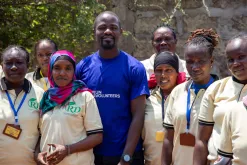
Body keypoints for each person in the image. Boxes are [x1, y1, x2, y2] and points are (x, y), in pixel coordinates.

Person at [76, 11, 150, 165]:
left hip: (125, 154)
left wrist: (126, 157)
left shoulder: (134, 68)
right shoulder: (82, 67)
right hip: (90, 154)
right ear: (94, 32)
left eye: (113, 27)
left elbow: (138, 114)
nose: (108, 31)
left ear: (120, 32)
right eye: (102, 27)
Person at [162, 29, 219, 165]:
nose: (195, 67)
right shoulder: (177, 92)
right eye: (190, 62)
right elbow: (168, 139)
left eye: (201, 61)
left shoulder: (221, 93)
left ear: (211, 61)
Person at [36, 50, 103, 165]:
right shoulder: (46, 98)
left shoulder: (84, 96)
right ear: (51, 71)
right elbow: (41, 135)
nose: (62, 73)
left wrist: (67, 150)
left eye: (68, 68)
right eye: (57, 68)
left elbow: (97, 136)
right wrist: (37, 154)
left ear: (73, 72)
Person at [194, 33, 247, 165]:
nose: (236, 64)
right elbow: (202, 140)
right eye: (230, 59)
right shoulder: (216, 89)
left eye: (241, 57)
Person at [0, 46, 44, 165]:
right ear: (2, 66)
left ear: (28, 65)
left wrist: (38, 151)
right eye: (8, 63)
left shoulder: (40, 94)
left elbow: (44, 130)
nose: (14, 67)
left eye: (19, 62)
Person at [142, 51, 186, 165]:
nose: (163, 75)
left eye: (168, 70)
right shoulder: (146, 99)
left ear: (177, 73)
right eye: (159, 70)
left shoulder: (187, 98)